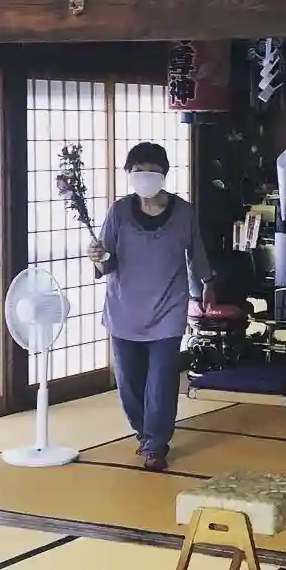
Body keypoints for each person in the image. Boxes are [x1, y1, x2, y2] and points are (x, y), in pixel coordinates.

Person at [88, 143, 214, 472]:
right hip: (124, 310)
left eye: (152, 171)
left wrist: (206, 284)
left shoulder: (183, 212)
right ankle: (144, 433)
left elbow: (196, 253)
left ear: (164, 174)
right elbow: (106, 262)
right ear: (129, 175)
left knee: (161, 382)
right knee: (129, 383)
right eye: (138, 171)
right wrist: (96, 257)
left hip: (168, 310)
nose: (145, 177)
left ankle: (156, 444)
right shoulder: (119, 212)